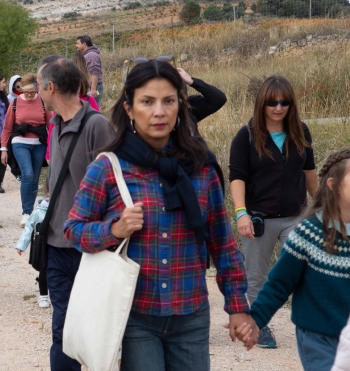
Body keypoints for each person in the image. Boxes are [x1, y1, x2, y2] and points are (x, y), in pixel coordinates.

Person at [65, 59, 255, 371]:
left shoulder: (201, 168)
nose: (159, 112)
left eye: (168, 101)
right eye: (147, 102)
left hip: (191, 314)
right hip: (134, 317)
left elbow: (222, 243)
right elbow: (73, 230)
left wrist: (237, 306)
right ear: (129, 109)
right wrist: (113, 230)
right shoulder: (108, 168)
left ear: (180, 106)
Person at [34, 56, 113, 371]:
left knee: (95, 332)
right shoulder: (54, 125)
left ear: (51, 87)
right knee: (63, 330)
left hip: (90, 248)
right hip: (56, 245)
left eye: (39, 86)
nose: (38, 92)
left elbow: (114, 188)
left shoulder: (97, 126)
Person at [229, 74, 317, 349]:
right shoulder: (246, 136)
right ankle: (260, 325)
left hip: (295, 216)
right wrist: (241, 213)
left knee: (306, 267)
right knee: (257, 276)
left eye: (284, 102)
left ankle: (314, 323)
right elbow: (237, 177)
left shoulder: (300, 131)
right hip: (259, 220)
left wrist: (323, 208)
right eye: (272, 102)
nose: (278, 108)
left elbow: (310, 173)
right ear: (262, 104)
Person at [244, 149, 350, 371]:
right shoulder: (307, 233)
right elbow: (279, 284)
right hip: (318, 337)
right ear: (333, 184)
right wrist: (255, 320)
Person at [1, 74, 53, 226]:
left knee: (35, 177)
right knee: (28, 174)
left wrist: (53, 145)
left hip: (39, 143)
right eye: (26, 92)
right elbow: (7, 127)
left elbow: (50, 124)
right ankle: (26, 212)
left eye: (32, 92)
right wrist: (4, 148)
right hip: (19, 142)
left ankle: (32, 211)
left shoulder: (42, 101)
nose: (29, 95)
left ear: (37, 89)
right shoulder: (15, 103)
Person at [16, 197, 51, 308]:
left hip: (60, 245)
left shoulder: (65, 207)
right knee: (43, 270)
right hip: (43, 246)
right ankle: (43, 295)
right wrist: (21, 245)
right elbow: (28, 229)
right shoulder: (38, 212)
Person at [76, 35, 103, 99]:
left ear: (84, 44)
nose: (76, 45)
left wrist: (93, 90)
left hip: (94, 87)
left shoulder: (91, 56)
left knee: (93, 108)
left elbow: (95, 72)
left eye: (78, 43)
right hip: (91, 87)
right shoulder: (88, 55)